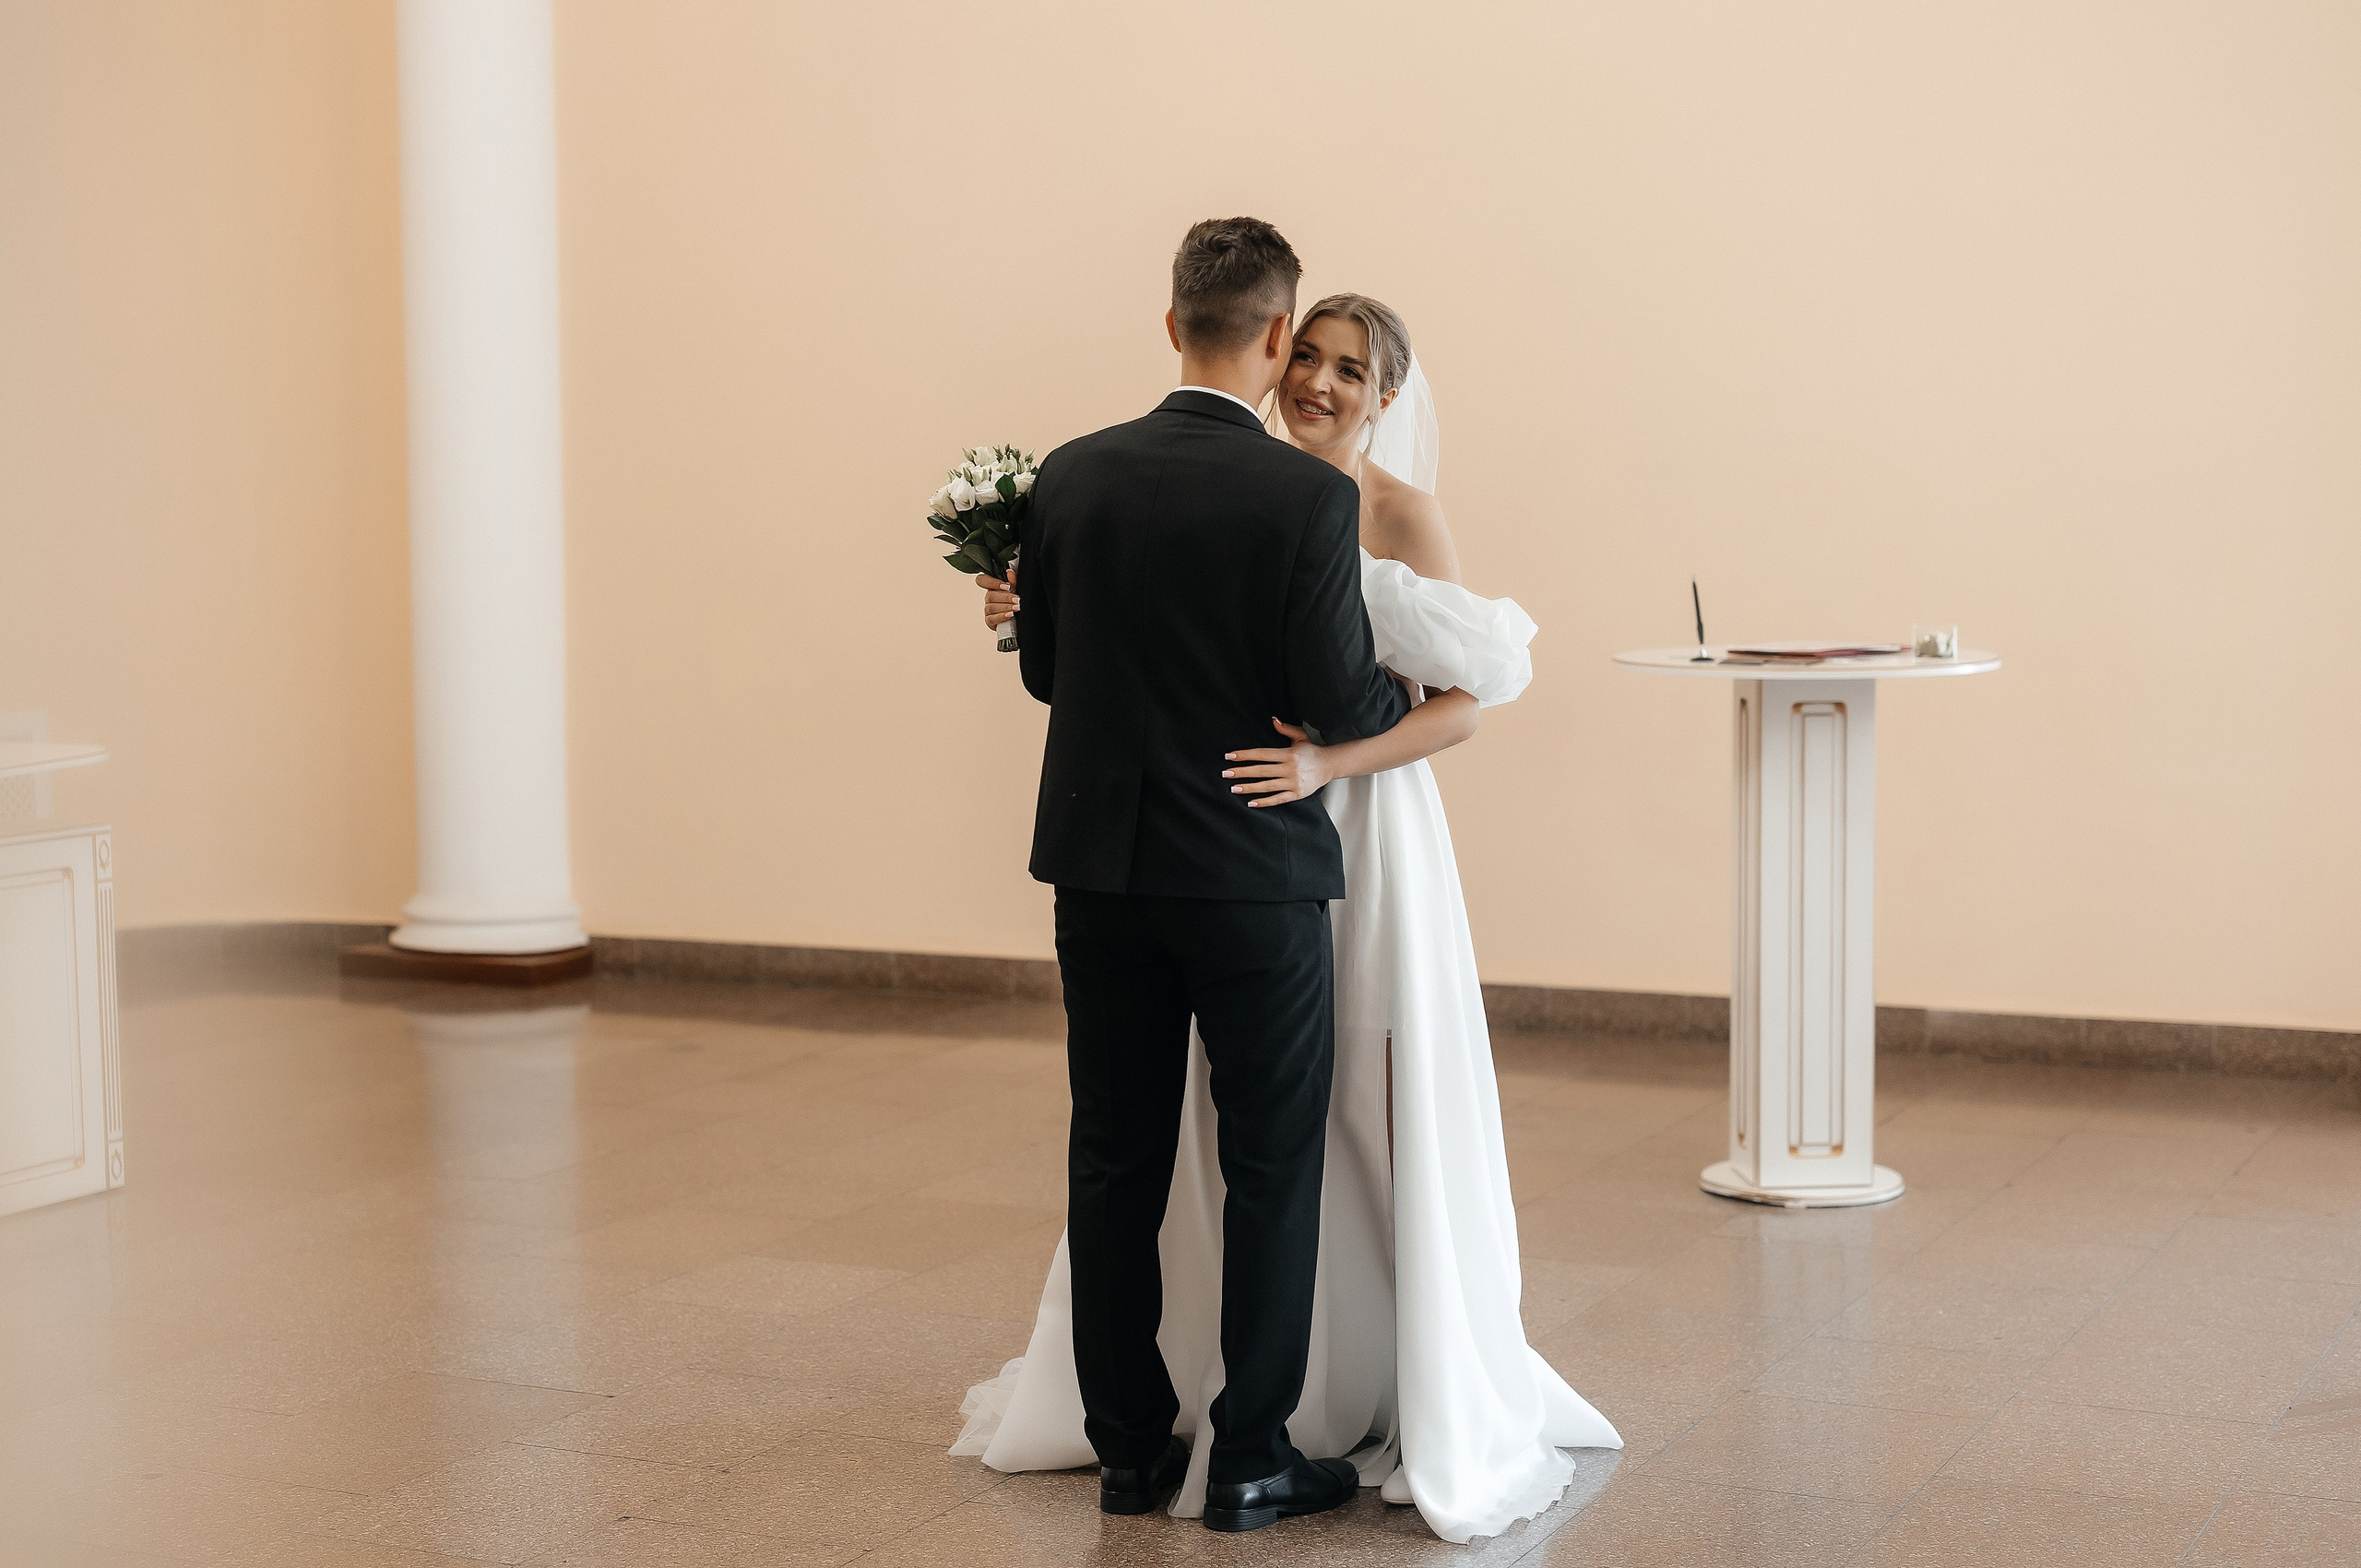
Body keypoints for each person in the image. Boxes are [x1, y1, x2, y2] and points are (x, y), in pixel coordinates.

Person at [955, 280, 1623, 1545]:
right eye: (1307, 354)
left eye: (1350, 370)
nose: (1319, 382)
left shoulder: (1387, 511)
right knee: (1238, 1141)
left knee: (1342, 1120)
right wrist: (1042, 608)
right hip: (1244, 842)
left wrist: (1327, 766)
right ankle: (1249, 1431)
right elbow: (1152, 654)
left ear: (1387, 397)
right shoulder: (1235, 481)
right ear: (1272, 351)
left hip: (1346, 823)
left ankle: (1347, 1380)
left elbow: (1462, 702)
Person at [995, 216, 1410, 1534]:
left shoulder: (1069, 475)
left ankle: (1126, 1448)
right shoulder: (1307, 499)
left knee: (1114, 1153)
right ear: (1279, 337)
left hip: (1104, 877)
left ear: (1173, 323)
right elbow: (1337, 701)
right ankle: (1249, 1456)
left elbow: (1050, 671)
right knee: (1270, 1161)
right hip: (1251, 876)